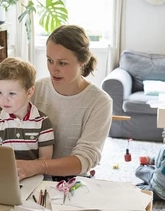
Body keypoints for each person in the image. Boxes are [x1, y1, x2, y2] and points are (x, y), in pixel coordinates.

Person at [15, 24, 113, 181]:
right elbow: (4, 121)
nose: (53, 69)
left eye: (62, 63)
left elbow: (85, 158)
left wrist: (38, 166)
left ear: (82, 61)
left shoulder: (100, 102)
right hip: (30, 176)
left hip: (71, 182)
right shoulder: (36, 89)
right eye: (50, 60)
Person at [0, 57, 54, 161]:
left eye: (11, 93)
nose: (4, 99)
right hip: (6, 175)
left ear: (29, 92)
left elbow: (45, 160)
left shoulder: (42, 122)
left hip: (35, 175)